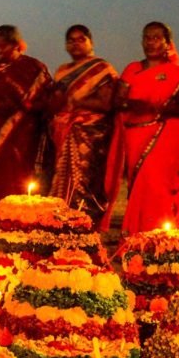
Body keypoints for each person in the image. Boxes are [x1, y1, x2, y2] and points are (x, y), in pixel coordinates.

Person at [104, 22, 179, 233]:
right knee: (139, 187)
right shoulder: (133, 69)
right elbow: (117, 101)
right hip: (136, 136)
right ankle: (137, 236)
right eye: (147, 37)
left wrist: (158, 108)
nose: (150, 42)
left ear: (168, 43)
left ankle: (159, 238)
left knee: (159, 189)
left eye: (157, 37)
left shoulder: (178, 74)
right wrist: (139, 105)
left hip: (165, 139)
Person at [0, 25, 53, 220]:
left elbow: (48, 101)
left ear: (16, 45)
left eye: (3, 47)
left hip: (25, 133)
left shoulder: (36, 68)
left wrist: (27, 106)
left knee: (20, 175)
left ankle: (20, 219)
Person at [49, 24, 117, 223]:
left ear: (91, 42)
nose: (75, 44)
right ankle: (61, 221)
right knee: (64, 177)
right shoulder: (62, 71)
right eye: (71, 40)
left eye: (81, 39)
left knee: (87, 180)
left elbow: (107, 104)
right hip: (65, 131)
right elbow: (56, 102)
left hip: (92, 134)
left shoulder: (101, 68)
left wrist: (77, 103)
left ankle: (86, 222)